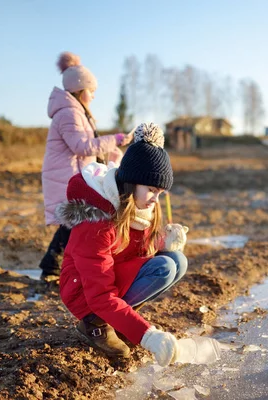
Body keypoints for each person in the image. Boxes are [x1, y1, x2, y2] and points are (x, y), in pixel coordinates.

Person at [56, 122, 187, 365]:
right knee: (165, 268)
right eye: (151, 190)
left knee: (177, 260)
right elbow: (99, 293)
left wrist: (164, 242)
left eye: (160, 194)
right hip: (85, 294)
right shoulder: (97, 222)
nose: (154, 200)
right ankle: (94, 323)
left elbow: (133, 252)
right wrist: (147, 335)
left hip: (110, 276)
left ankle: (119, 319)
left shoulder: (137, 209)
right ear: (131, 181)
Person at [39, 51, 133, 280]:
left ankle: (53, 268)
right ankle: (54, 269)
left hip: (71, 174)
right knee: (73, 223)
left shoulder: (76, 113)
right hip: (66, 177)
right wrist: (117, 139)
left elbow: (87, 148)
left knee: (72, 223)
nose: (93, 96)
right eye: (91, 91)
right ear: (79, 91)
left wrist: (109, 151)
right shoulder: (69, 114)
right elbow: (82, 146)